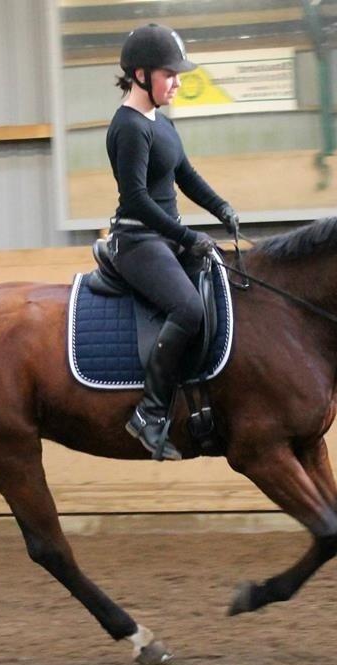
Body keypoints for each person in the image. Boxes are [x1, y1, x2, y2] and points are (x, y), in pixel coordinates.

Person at [106, 23, 239, 461]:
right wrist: (186, 236)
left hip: (165, 237)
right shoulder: (129, 127)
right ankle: (149, 413)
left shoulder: (159, 124)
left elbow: (185, 176)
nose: (179, 81)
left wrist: (222, 208)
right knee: (187, 307)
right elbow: (138, 200)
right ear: (141, 75)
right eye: (170, 73)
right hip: (138, 240)